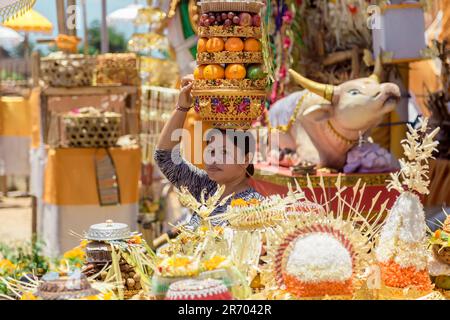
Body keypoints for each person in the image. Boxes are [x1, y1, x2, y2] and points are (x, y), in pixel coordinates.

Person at [154, 75, 264, 231]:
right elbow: (164, 157)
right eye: (211, 151)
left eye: (224, 152)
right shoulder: (205, 187)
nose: (213, 159)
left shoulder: (255, 206)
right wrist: (182, 107)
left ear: (245, 160)